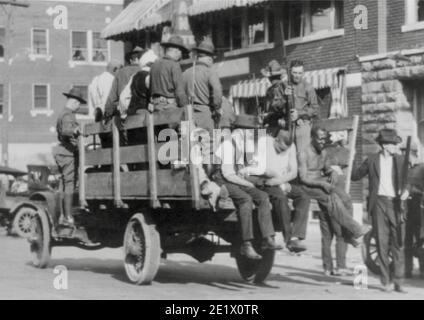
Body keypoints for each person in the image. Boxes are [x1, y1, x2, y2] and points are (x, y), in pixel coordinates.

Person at [352, 128, 410, 293]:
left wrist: (406, 190)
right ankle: (386, 281)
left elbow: (409, 181)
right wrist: (345, 163)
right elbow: (356, 175)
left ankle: (399, 281)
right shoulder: (371, 160)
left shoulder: (400, 160)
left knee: (398, 243)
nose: (396, 147)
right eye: (393, 144)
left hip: (396, 205)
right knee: (382, 243)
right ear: (384, 145)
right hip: (378, 204)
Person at [214, 127, 282, 260]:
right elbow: (228, 174)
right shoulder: (228, 145)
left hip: (236, 179)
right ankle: (246, 244)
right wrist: (247, 183)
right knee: (245, 199)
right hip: (223, 180)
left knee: (263, 196)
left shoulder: (244, 144)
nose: (251, 136)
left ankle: (267, 238)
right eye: (249, 133)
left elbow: (246, 168)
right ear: (241, 132)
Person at [238, 129, 311, 253]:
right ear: (276, 140)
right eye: (280, 148)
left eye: (284, 150)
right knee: (281, 198)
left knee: (304, 197)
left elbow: (293, 172)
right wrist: (278, 182)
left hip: (280, 181)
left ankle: (296, 237)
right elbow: (263, 169)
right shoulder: (264, 143)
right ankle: (288, 240)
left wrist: (281, 181)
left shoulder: (291, 146)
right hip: (266, 180)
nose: (282, 152)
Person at [298, 127, 371, 248]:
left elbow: (327, 169)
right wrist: (322, 184)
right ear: (312, 138)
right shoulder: (303, 153)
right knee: (333, 199)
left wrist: (332, 172)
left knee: (346, 199)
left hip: (321, 181)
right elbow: (303, 178)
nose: (322, 142)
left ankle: (348, 236)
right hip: (307, 185)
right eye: (320, 139)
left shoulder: (323, 152)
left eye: (324, 140)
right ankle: (356, 229)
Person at [52, 88, 86, 227]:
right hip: (67, 153)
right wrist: (76, 130)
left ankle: (61, 216)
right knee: (70, 184)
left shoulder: (65, 113)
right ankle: (68, 217)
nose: (79, 107)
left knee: (64, 184)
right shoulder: (68, 115)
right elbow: (66, 131)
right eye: (78, 103)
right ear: (73, 101)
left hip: (63, 152)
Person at [183, 38, 222, 134]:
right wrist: (217, 109)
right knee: (209, 146)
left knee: (187, 147)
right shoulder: (210, 72)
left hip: (187, 116)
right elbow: (217, 91)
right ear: (209, 59)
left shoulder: (185, 73)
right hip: (204, 116)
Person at [284, 60, 319, 151]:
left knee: (301, 156)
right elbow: (277, 107)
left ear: (303, 73)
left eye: (300, 73)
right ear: (290, 73)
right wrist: (284, 96)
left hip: (302, 126)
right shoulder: (284, 86)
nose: (297, 75)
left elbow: (315, 109)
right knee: (286, 159)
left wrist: (299, 113)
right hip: (286, 127)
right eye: (294, 72)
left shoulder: (308, 87)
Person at [104, 46, 144, 120]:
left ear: (131, 60)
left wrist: (108, 113)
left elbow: (112, 97)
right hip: (143, 113)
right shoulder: (146, 71)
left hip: (124, 113)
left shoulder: (120, 73)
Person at [150, 35, 189, 111]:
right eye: (181, 52)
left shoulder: (154, 65)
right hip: (169, 107)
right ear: (177, 50)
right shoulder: (174, 65)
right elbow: (179, 91)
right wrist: (185, 107)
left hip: (155, 106)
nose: (181, 55)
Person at [404, 146, 424, 279]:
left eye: (407, 154)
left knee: (421, 240)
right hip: (406, 207)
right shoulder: (404, 168)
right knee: (407, 240)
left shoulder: (422, 168)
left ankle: (423, 270)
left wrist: (413, 191)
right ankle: (408, 270)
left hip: (419, 207)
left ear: (414, 154)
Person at [261, 60, 288, 135]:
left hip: (282, 126)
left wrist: (269, 115)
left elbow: (282, 107)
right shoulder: (270, 90)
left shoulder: (283, 87)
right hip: (272, 125)